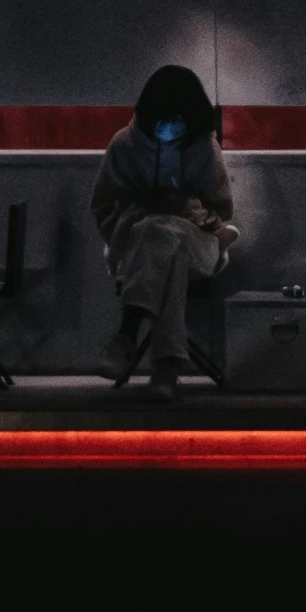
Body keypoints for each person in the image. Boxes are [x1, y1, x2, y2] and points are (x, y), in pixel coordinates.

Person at [93, 65, 239, 402]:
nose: (169, 123)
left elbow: (223, 212)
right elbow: (103, 206)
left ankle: (128, 334)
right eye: (163, 114)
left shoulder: (203, 148)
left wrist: (187, 208)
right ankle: (167, 366)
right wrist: (142, 211)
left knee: (165, 230)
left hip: (198, 242)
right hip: (141, 248)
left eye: (177, 115)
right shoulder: (125, 146)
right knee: (167, 247)